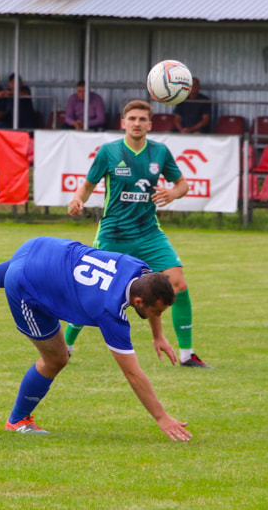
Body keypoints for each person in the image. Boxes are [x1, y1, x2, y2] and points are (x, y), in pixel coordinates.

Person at [0, 237, 192, 441]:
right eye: (156, 312)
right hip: (26, 287)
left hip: (40, 245)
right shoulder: (110, 311)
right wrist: (161, 417)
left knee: (24, 265)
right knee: (56, 358)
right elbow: (133, 374)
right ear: (138, 302)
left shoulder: (138, 268)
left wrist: (157, 334)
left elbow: (151, 290)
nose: (157, 315)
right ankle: (18, 421)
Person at [66, 99, 211, 368]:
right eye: (132, 118)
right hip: (113, 233)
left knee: (177, 284)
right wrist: (78, 200)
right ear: (123, 123)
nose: (136, 123)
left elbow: (183, 184)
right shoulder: (108, 152)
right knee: (93, 294)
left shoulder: (160, 152)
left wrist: (173, 192)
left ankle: (187, 354)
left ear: (149, 124)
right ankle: (67, 345)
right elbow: (87, 186)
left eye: (142, 119)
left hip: (148, 233)